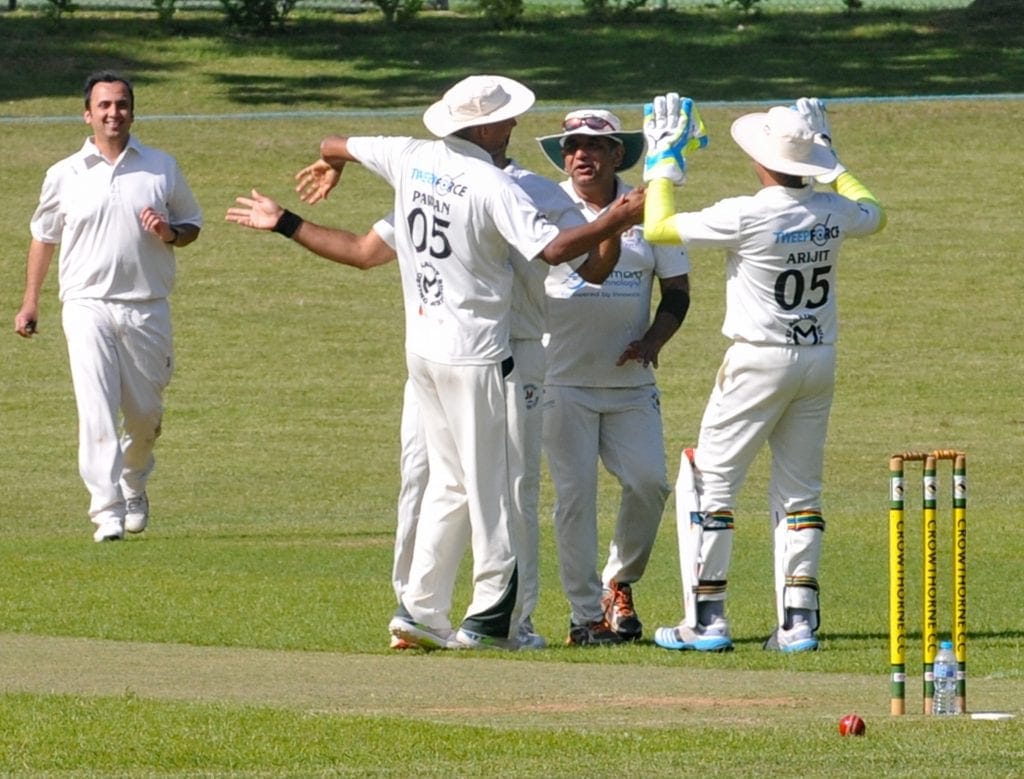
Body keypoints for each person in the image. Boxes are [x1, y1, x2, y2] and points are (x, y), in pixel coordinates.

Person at [290, 75, 643, 651]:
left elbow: (336, 142)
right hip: (485, 355)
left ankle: (422, 608)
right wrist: (618, 218)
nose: (513, 126)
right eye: (505, 119)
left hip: (425, 350)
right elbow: (552, 251)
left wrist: (335, 164)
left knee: (450, 483)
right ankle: (494, 622)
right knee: (502, 491)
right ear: (481, 128)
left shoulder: (410, 155)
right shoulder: (491, 183)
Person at [642, 94, 887, 652]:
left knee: (712, 482)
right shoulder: (834, 210)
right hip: (818, 358)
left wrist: (661, 161)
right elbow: (876, 213)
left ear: (761, 161)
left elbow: (657, 228)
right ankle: (798, 624)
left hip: (757, 358)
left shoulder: (747, 213)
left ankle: (706, 620)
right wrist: (835, 160)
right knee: (801, 491)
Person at [14, 71, 202, 543]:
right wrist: (30, 302)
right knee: (94, 406)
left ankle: (133, 479)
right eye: (104, 106)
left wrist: (169, 233)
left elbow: (192, 224)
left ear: (132, 112)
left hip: (146, 306)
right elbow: (43, 237)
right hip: (85, 303)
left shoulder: (160, 166)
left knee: (144, 416)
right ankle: (106, 511)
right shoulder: (64, 173)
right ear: (88, 114)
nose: (113, 113)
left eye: (121, 105)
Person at [534, 109, 692, 645]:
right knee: (575, 499)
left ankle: (617, 582)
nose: (582, 155)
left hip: (630, 385)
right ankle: (587, 616)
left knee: (650, 485)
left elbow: (677, 293)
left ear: (617, 154)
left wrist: (652, 341)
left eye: (594, 147)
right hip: (561, 381)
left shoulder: (652, 207)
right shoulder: (545, 204)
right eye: (572, 146)